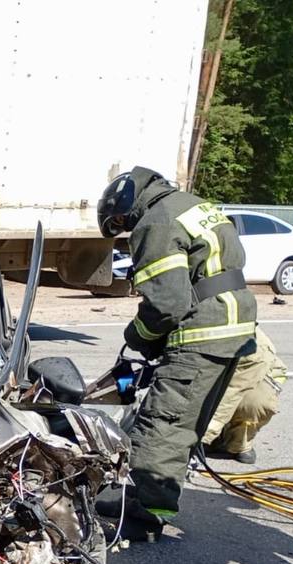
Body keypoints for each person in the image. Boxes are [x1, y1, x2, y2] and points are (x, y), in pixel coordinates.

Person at [95, 166, 257, 541]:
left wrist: (138, 336)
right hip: (234, 328)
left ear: (126, 203)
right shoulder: (193, 205)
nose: (124, 227)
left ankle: (148, 515)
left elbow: (167, 303)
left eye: (120, 222)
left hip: (204, 331)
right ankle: (152, 498)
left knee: (162, 424)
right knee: (186, 423)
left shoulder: (157, 221)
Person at [202, 329, 287, 465]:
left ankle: (238, 442)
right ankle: (212, 437)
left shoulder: (252, 345)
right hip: (217, 373)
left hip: (251, 379)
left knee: (255, 402)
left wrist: (201, 438)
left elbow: (230, 394)